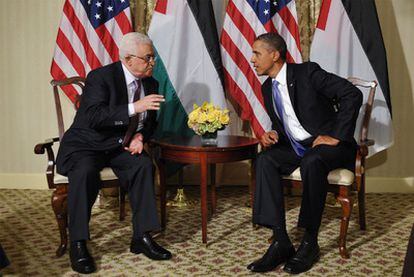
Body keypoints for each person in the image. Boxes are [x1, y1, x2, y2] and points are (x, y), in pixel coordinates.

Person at [247, 33, 362, 274]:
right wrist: (273, 134)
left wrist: (338, 135)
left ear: (275, 55)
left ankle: (310, 241)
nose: (252, 59)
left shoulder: (307, 73)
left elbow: (352, 93)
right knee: (265, 159)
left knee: (313, 160)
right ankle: (280, 240)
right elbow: (288, 122)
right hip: (297, 146)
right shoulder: (267, 87)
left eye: (257, 53)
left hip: (331, 147)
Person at [56, 32, 170, 274]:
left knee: (143, 166)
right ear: (128, 59)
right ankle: (78, 242)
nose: (153, 63)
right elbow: (93, 116)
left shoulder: (151, 83)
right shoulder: (101, 77)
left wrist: (141, 136)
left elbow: (150, 122)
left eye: (153, 57)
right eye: (148, 58)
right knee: (85, 171)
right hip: (87, 144)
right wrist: (134, 107)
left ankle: (142, 236)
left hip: (120, 145)